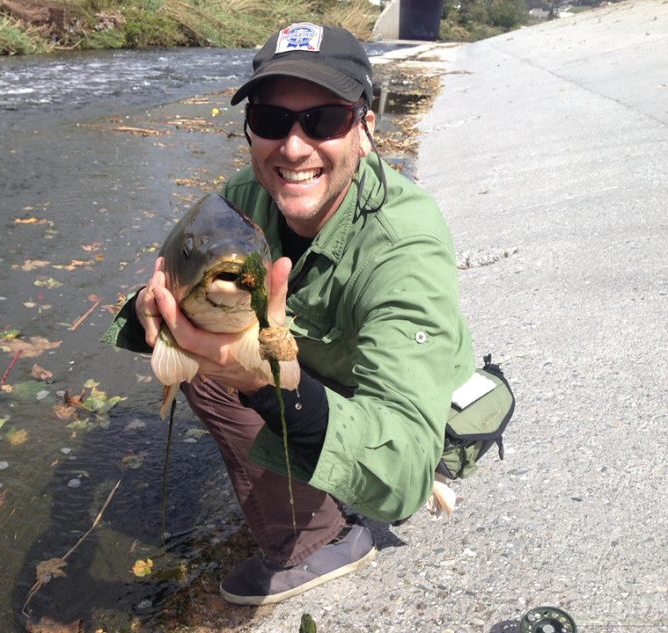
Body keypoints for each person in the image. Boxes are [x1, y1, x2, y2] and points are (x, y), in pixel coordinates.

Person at [103, 22, 475, 605]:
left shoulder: (407, 246)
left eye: (324, 119)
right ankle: (309, 475)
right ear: (249, 132)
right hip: (315, 370)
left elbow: (404, 476)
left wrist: (265, 384)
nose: (294, 148)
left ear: (364, 128)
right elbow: (184, 260)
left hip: (407, 404)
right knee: (200, 349)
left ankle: (320, 540)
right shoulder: (245, 197)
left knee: (228, 373)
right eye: (272, 121)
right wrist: (153, 306)